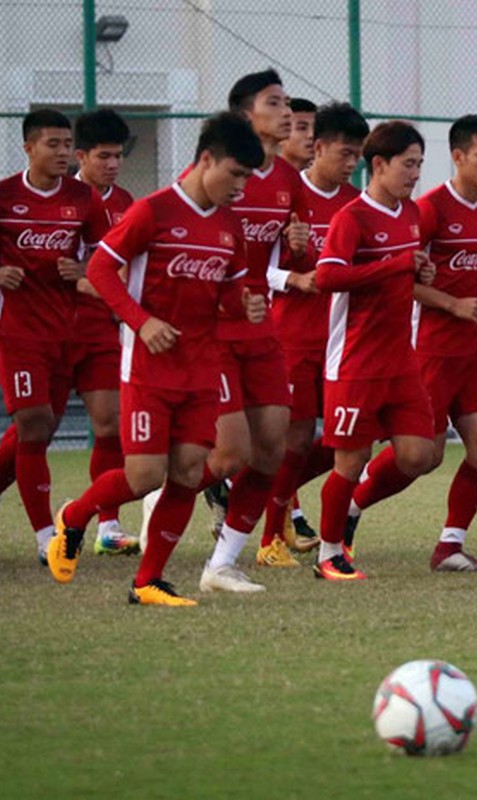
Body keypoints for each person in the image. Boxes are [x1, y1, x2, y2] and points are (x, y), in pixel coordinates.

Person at [46, 112, 267, 604]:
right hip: (149, 368)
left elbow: (231, 295)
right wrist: (140, 321)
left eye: (248, 178)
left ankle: (148, 581)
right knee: (144, 475)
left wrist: (247, 305)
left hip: (202, 369)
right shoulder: (153, 211)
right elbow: (101, 269)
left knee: (189, 473)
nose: (240, 186)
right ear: (206, 159)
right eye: (235, 174)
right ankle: (76, 515)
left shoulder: (232, 226)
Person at [344, 115, 477, 571]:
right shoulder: (429, 209)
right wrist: (453, 305)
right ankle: (351, 506)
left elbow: (472, 268)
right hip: (429, 346)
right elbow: (403, 277)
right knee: (424, 456)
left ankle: (450, 545)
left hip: (471, 348)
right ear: (458, 157)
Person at [0, 109, 109, 564]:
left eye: (67, 144)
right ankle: (46, 538)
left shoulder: (83, 198)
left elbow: (104, 256)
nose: (62, 153)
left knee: (36, 429)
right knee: (35, 425)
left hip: (66, 330)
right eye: (53, 145)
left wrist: (81, 269)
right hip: (17, 332)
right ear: (29, 147)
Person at [194, 69, 310, 590]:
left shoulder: (287, 178)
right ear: (246, 115)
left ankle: (222, 563)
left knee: (273, 451)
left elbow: (282, 256)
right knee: (229, 456)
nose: (287, 113)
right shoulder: (214, 174)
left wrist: (298, 245)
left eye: (287, 103)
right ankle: (102, 507)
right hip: (215, 331)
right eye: (275, 102)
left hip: (263, 331)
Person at [312, 120, 437, 581]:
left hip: (400, 358)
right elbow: (327, 277)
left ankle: (351, 509)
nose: (415, 174)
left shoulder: (410, 214)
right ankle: (328, 553)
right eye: (408, 164)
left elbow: (401, 271)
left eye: (420, 165)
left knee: (419, 455)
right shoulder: (353, 217)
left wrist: (415, 273)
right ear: (379, 164)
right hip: (355, 360)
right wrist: (394, 267)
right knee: (349, 460)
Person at [262, 102, 369, 554]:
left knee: (351, 438)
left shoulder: (357, 205)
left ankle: (275, 499)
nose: (351, 165)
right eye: (343, 154)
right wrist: (293, 274)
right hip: (293, 338)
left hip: (344, 342)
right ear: (318, 148)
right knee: (299, 436)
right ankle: (270, 536)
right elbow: (257, 269)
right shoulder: (286, 196)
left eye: (356, 157)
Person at [71, 108, 140, 555]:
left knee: (108, 424)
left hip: (102, 328)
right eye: (103, 156)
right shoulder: (64, 195)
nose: (112, 164)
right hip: (51, 327)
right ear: (82, 156)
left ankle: (106, 527)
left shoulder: (127, 203)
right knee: (31, 430)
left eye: (117, 156)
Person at [280, 98, 316, 171]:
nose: (311, 135)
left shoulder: (329, 179)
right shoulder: (260, 177)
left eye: (316, 128)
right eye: (302, 128)